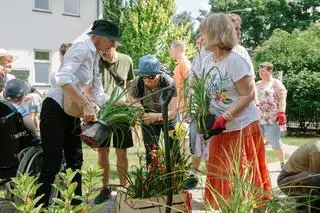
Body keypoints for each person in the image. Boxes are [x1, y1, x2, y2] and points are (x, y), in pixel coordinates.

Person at [36, 19, 117, 207]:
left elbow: (98, 92)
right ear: (99, 37)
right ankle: (39, 208)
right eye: (112, 39)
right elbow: (62, 78)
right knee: (52, 165)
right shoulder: (81, 49)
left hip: (71, 112)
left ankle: (76, 206)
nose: (114, 44)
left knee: (76, 163)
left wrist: (121, 102)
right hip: (55, 109)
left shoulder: (96, 56)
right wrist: (86, 105)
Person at [201, 13, 272, 209]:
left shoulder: (234, 60)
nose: (201, 36)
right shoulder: (208, 61)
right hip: (220, 130)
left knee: (243, 178)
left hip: (240, 129)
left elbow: (248, 94)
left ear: (216, 34)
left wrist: (226, 116)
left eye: (204, 32)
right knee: (223, 178)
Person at [94, 41, 134, 204]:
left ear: (115, 45)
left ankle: (123, 189)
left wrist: (131, 105)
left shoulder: (127, 60)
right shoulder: (96, 61)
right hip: (103, 112)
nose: (103, 52)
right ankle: (105, 188)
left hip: (122, 112)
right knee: (102, 151)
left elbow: (130, 86)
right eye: (100, 50)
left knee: (122, 152)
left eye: (107, 49)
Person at [130, 55, 178, 165]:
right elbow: (134, 100)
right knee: (151, 151)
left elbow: (172, 113)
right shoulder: (137, 83)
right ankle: (154, 177)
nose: (147, 80)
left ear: (159, 74)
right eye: (144, 76)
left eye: (151, 77)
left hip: (167, 118)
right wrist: (140, 110)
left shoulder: (168, 83)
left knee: (173, 149)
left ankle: (175, 176)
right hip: (148, 118)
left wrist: (155, 116)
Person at [256, 62, 287, 168]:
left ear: (270, 71)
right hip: (258, 118)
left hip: (272, 118)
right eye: (259, 71)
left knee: (275, 143)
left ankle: (283, 163)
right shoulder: (257, 84)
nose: (260, 72)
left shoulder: (276, 83)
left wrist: (282, 112)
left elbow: (282, 99)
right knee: (257, 144)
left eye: (263, 70)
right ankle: (260, 165)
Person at [277, 141, 320, 212]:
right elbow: (316, 179)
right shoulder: (317, 151)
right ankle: (305, 209)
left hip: (300, 177)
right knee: (315, 179)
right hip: (286, 182)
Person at [228, 13, 255, 77]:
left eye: (239, 29)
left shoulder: (241, 51)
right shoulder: (212, 51)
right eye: (236, 29)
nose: (239, 32)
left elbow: (250, 76)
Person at [170, 40, 191, 119]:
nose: (171, 52)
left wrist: (187, 108)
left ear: (178, 49)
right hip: (179, 106)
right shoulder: (179, 64)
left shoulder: (184, 63)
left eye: (172, 49)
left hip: (184, 108)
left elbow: (190, 85)